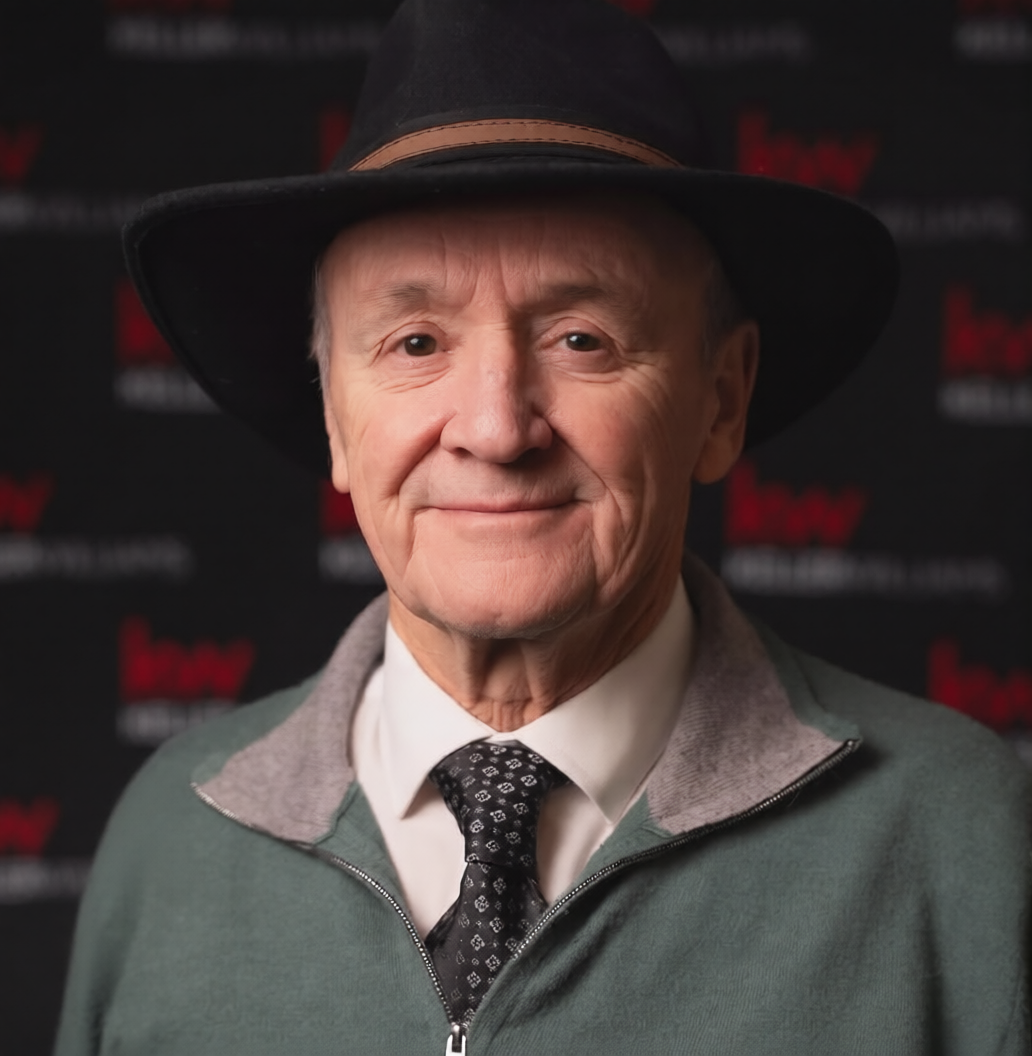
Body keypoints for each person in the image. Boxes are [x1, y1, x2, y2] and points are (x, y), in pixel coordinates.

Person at [56, 0, 1031, 1053]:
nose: (495, 427)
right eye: (416, 340)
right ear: (335, 414)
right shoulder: (174, 839)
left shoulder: (964, 844)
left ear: (721, 398)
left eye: (581, 337)